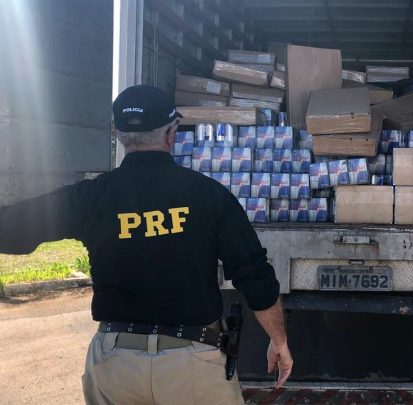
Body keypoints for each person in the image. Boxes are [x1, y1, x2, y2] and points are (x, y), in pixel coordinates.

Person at [0, 85, 293, 404]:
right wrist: (278, 341)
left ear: (118, 133)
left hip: (115, 366)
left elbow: (13, 227)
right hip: (191, 366)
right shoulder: (208, 196)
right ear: (171, 133)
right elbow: (253, 274)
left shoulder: (91, 197)